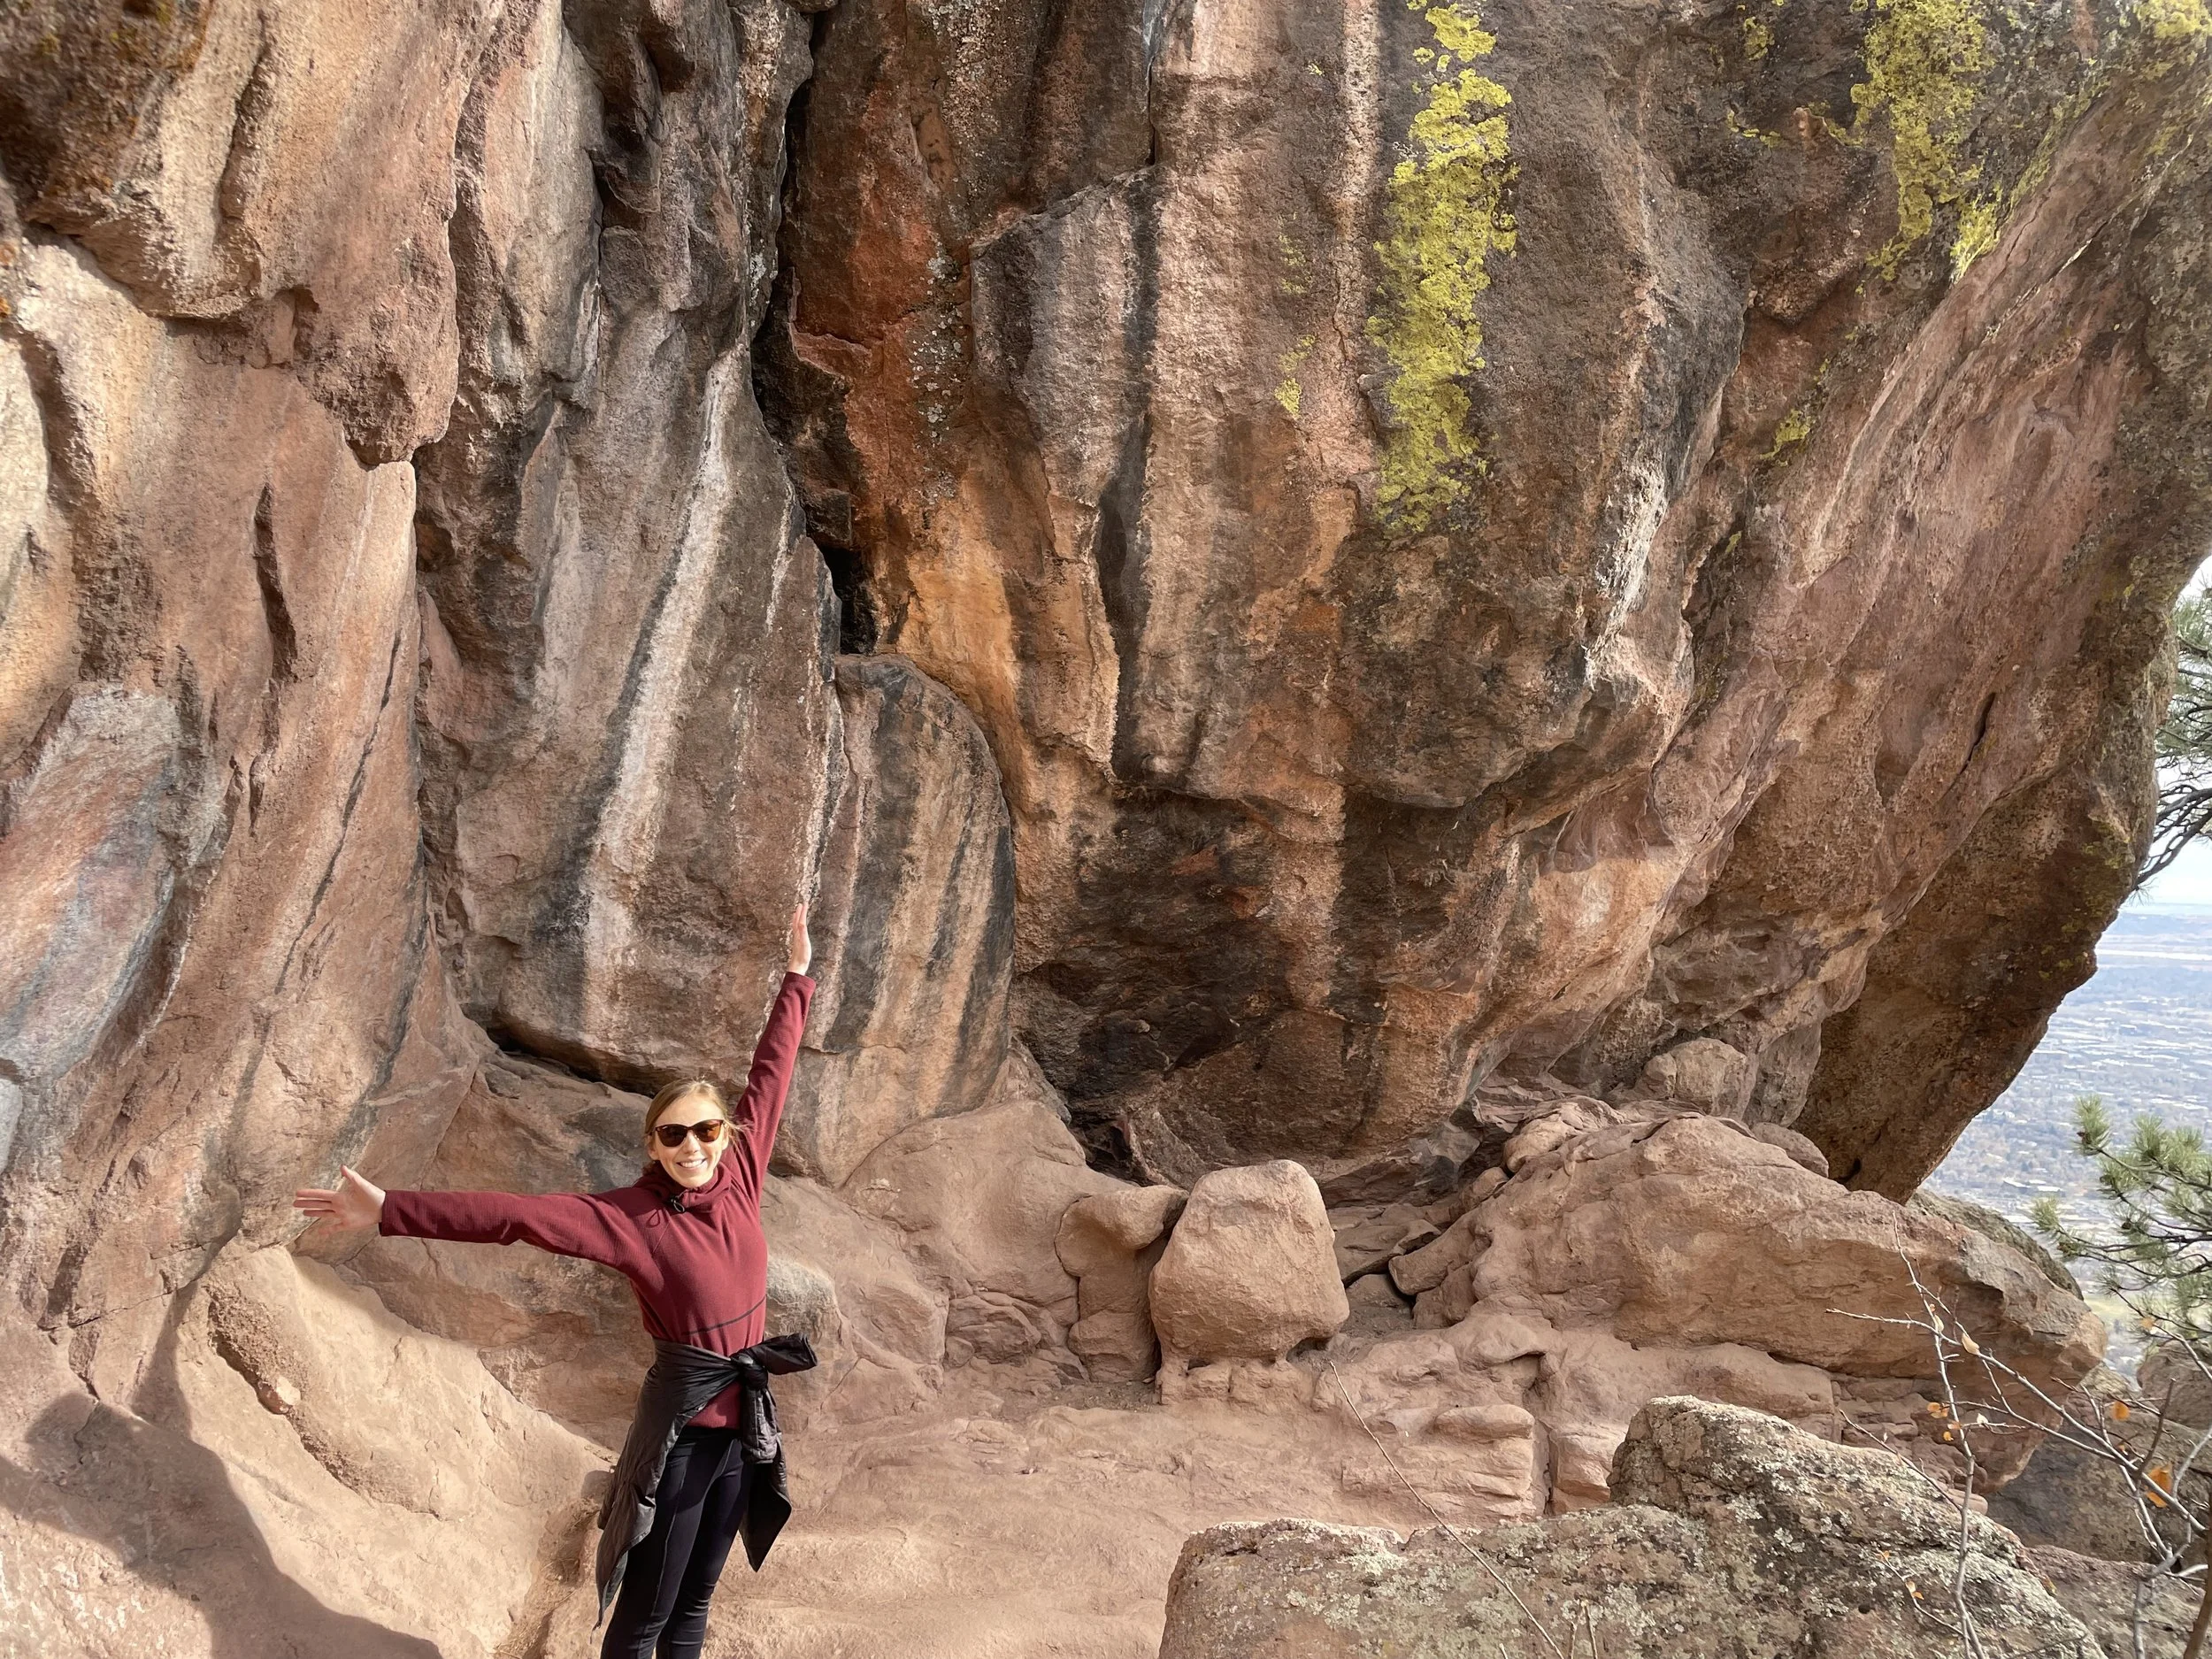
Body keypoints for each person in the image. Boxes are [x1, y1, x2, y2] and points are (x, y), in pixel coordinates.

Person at [295, 904, 819, 1659]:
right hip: (681, 1441)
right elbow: (517, 1216)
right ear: (654, 1145)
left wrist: (797, 975)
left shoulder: (739, 1173)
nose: (694, 1145)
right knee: (646, 1613)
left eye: (706, 1129)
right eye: (674, 1134)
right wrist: (390, 1209)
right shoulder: (633, 1218)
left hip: (746, 1431)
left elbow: (773, 1071)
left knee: (698, 1600)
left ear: (727, 1135)